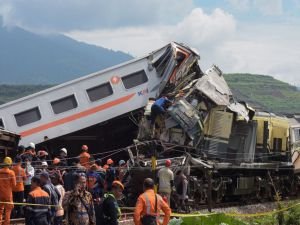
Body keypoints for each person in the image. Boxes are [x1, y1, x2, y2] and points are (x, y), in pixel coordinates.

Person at [0, 157, 16, 225]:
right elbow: (14, 184)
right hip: (8, 195)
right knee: (8, 211)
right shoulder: (11, 172)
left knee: (0, 210)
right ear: (10, 164)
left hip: (0, 194)